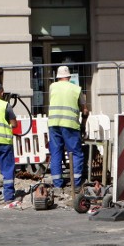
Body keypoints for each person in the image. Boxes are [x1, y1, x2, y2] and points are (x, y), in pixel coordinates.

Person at [48, 65, 88, 193]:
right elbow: (85, 110)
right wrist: (83, 123)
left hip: (54, 124)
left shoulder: (52, 87)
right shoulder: (76, 89)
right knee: (76, 153)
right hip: (70, 125)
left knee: (56, 153)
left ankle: (57, 184)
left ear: (58, 77)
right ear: (69, 77)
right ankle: (76, 183)